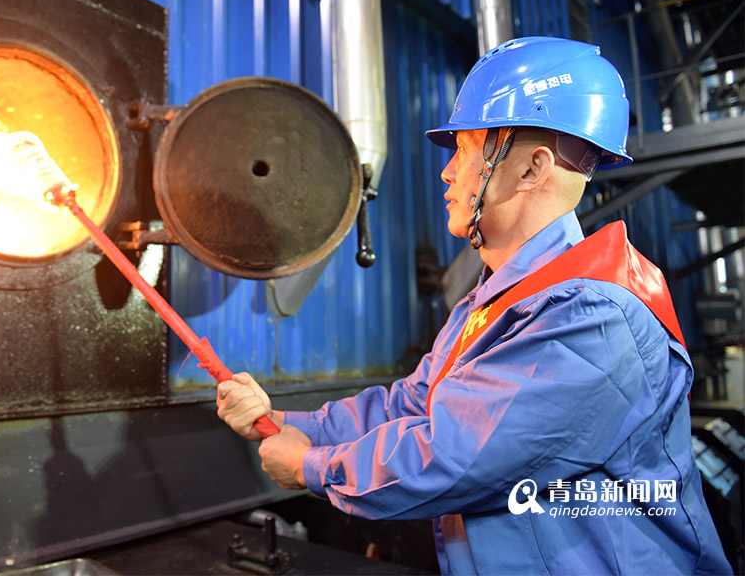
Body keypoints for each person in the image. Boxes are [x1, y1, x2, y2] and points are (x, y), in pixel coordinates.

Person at [216, 37, 732, 575]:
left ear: (531, 170)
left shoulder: (593, 315)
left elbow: (454, 455)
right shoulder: (500, 300)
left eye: (463, 151)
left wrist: (313, 466)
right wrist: (285, 422)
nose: (447, 173)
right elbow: (412, 406)